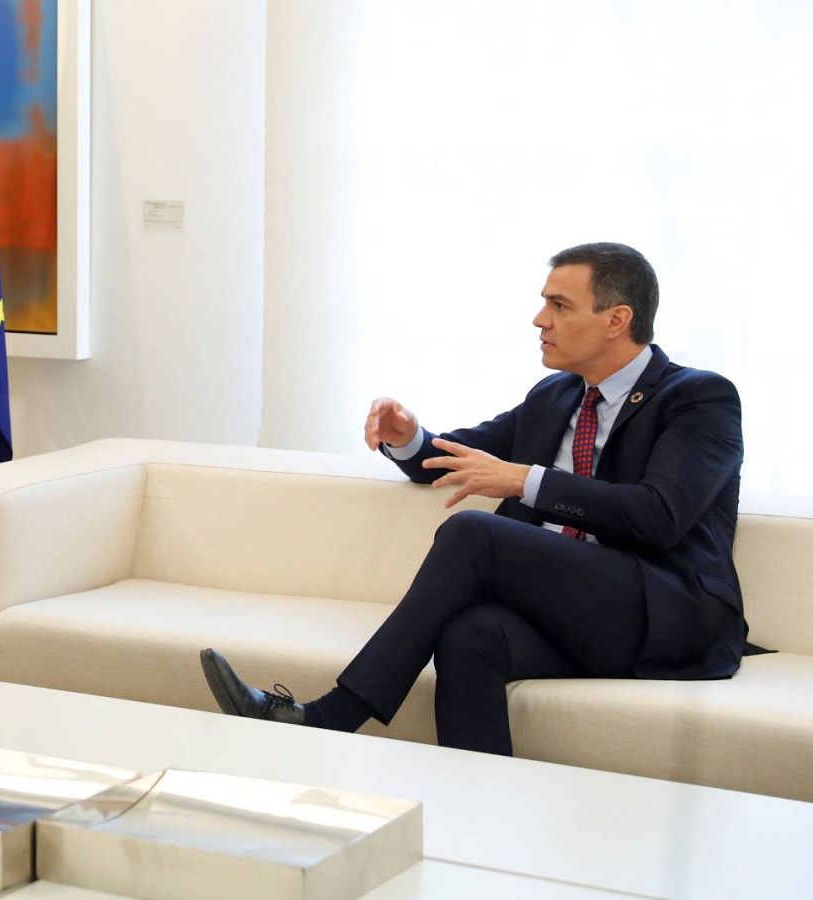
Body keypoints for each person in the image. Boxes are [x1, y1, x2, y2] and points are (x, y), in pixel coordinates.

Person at [202, 242, 751, 755]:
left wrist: (525, 481)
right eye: (543, 304)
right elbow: (450, 458)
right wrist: (407, 435)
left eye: (559, 305)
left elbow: (660, 516)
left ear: (616, 319)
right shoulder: (555, 396)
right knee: (472, 636)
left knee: (476, 531)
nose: (540, 321)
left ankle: (329, 718)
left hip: (661, 615)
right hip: (574, 617)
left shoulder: (699, 397)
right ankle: (477, 817)